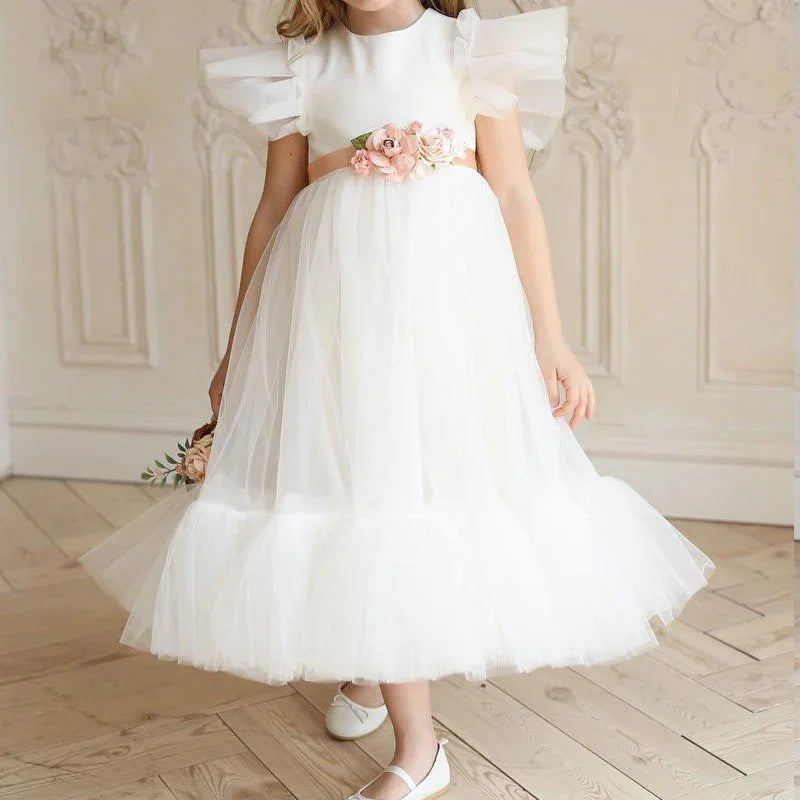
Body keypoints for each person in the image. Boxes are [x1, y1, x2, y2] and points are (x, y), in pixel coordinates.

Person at [80, 1, 714, 798]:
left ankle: (413, 741)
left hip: (448, 315)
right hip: (334, 311)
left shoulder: (472, 49)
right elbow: (275, 208)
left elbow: (514, 192)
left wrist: (550, 338)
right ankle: (400, 708)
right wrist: (239, 346)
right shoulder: (303, 66)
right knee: (354, 481)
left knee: (422, 487)